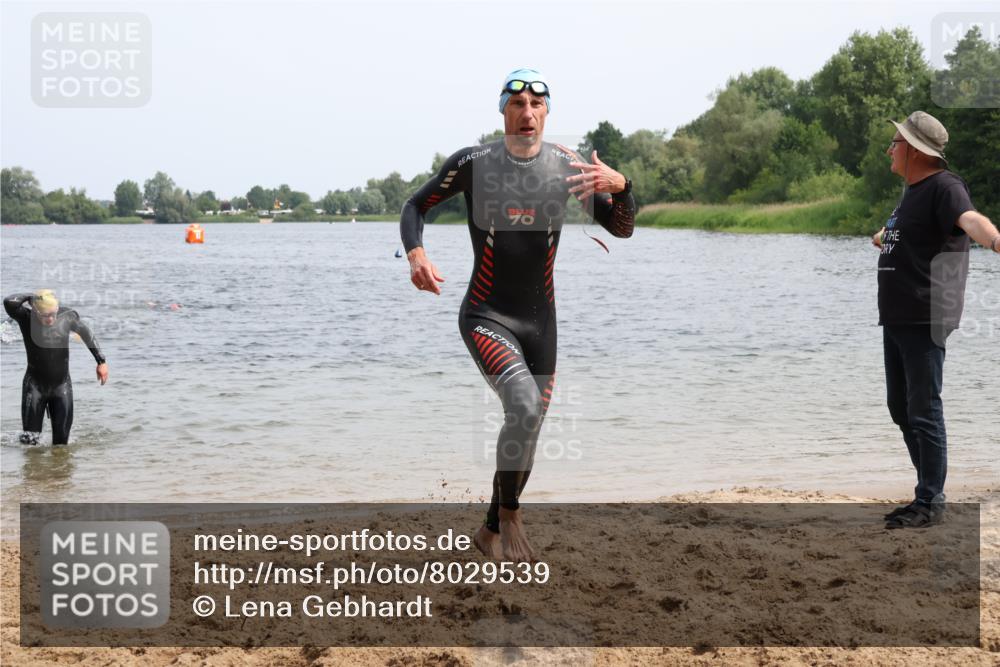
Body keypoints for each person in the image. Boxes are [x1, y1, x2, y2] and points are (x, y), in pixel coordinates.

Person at [400, 68, 635, 561]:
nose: (527, 113)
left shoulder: (566, 166)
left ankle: (488, 531)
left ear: (546, 113)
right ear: (503, 111)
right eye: (517, 104)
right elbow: (415, 205)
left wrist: (622, 186)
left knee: (528, 428)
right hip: (487, 315)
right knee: (524, 407)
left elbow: (621, 227)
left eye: (536, 104)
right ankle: (510, 514)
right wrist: (416, 254)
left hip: (542, 325)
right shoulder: (474, 163)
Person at [871, 111, 1000, 528]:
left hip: (925, 315)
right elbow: (907, 232)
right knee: (900, 407)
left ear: (913, 149)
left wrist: (996, 240)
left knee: (923, 409)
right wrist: (884, 236)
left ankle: (930, 501)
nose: (889, 150)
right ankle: (926, 492)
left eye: (895, 143)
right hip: (898, 317)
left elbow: (970, 220)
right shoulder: (913, 192)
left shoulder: (945, 187)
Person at [3, 289, 109, 445]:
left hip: (61, 386)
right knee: (29, 442)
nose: (51, 319)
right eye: (45, 315)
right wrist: (32, 296)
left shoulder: (66, 317)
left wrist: (101, 361)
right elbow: (9, 302)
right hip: (34, 387)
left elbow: (86, 333)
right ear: (35, 310)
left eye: (53, 313)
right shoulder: (26, 318)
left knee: (61, 445)